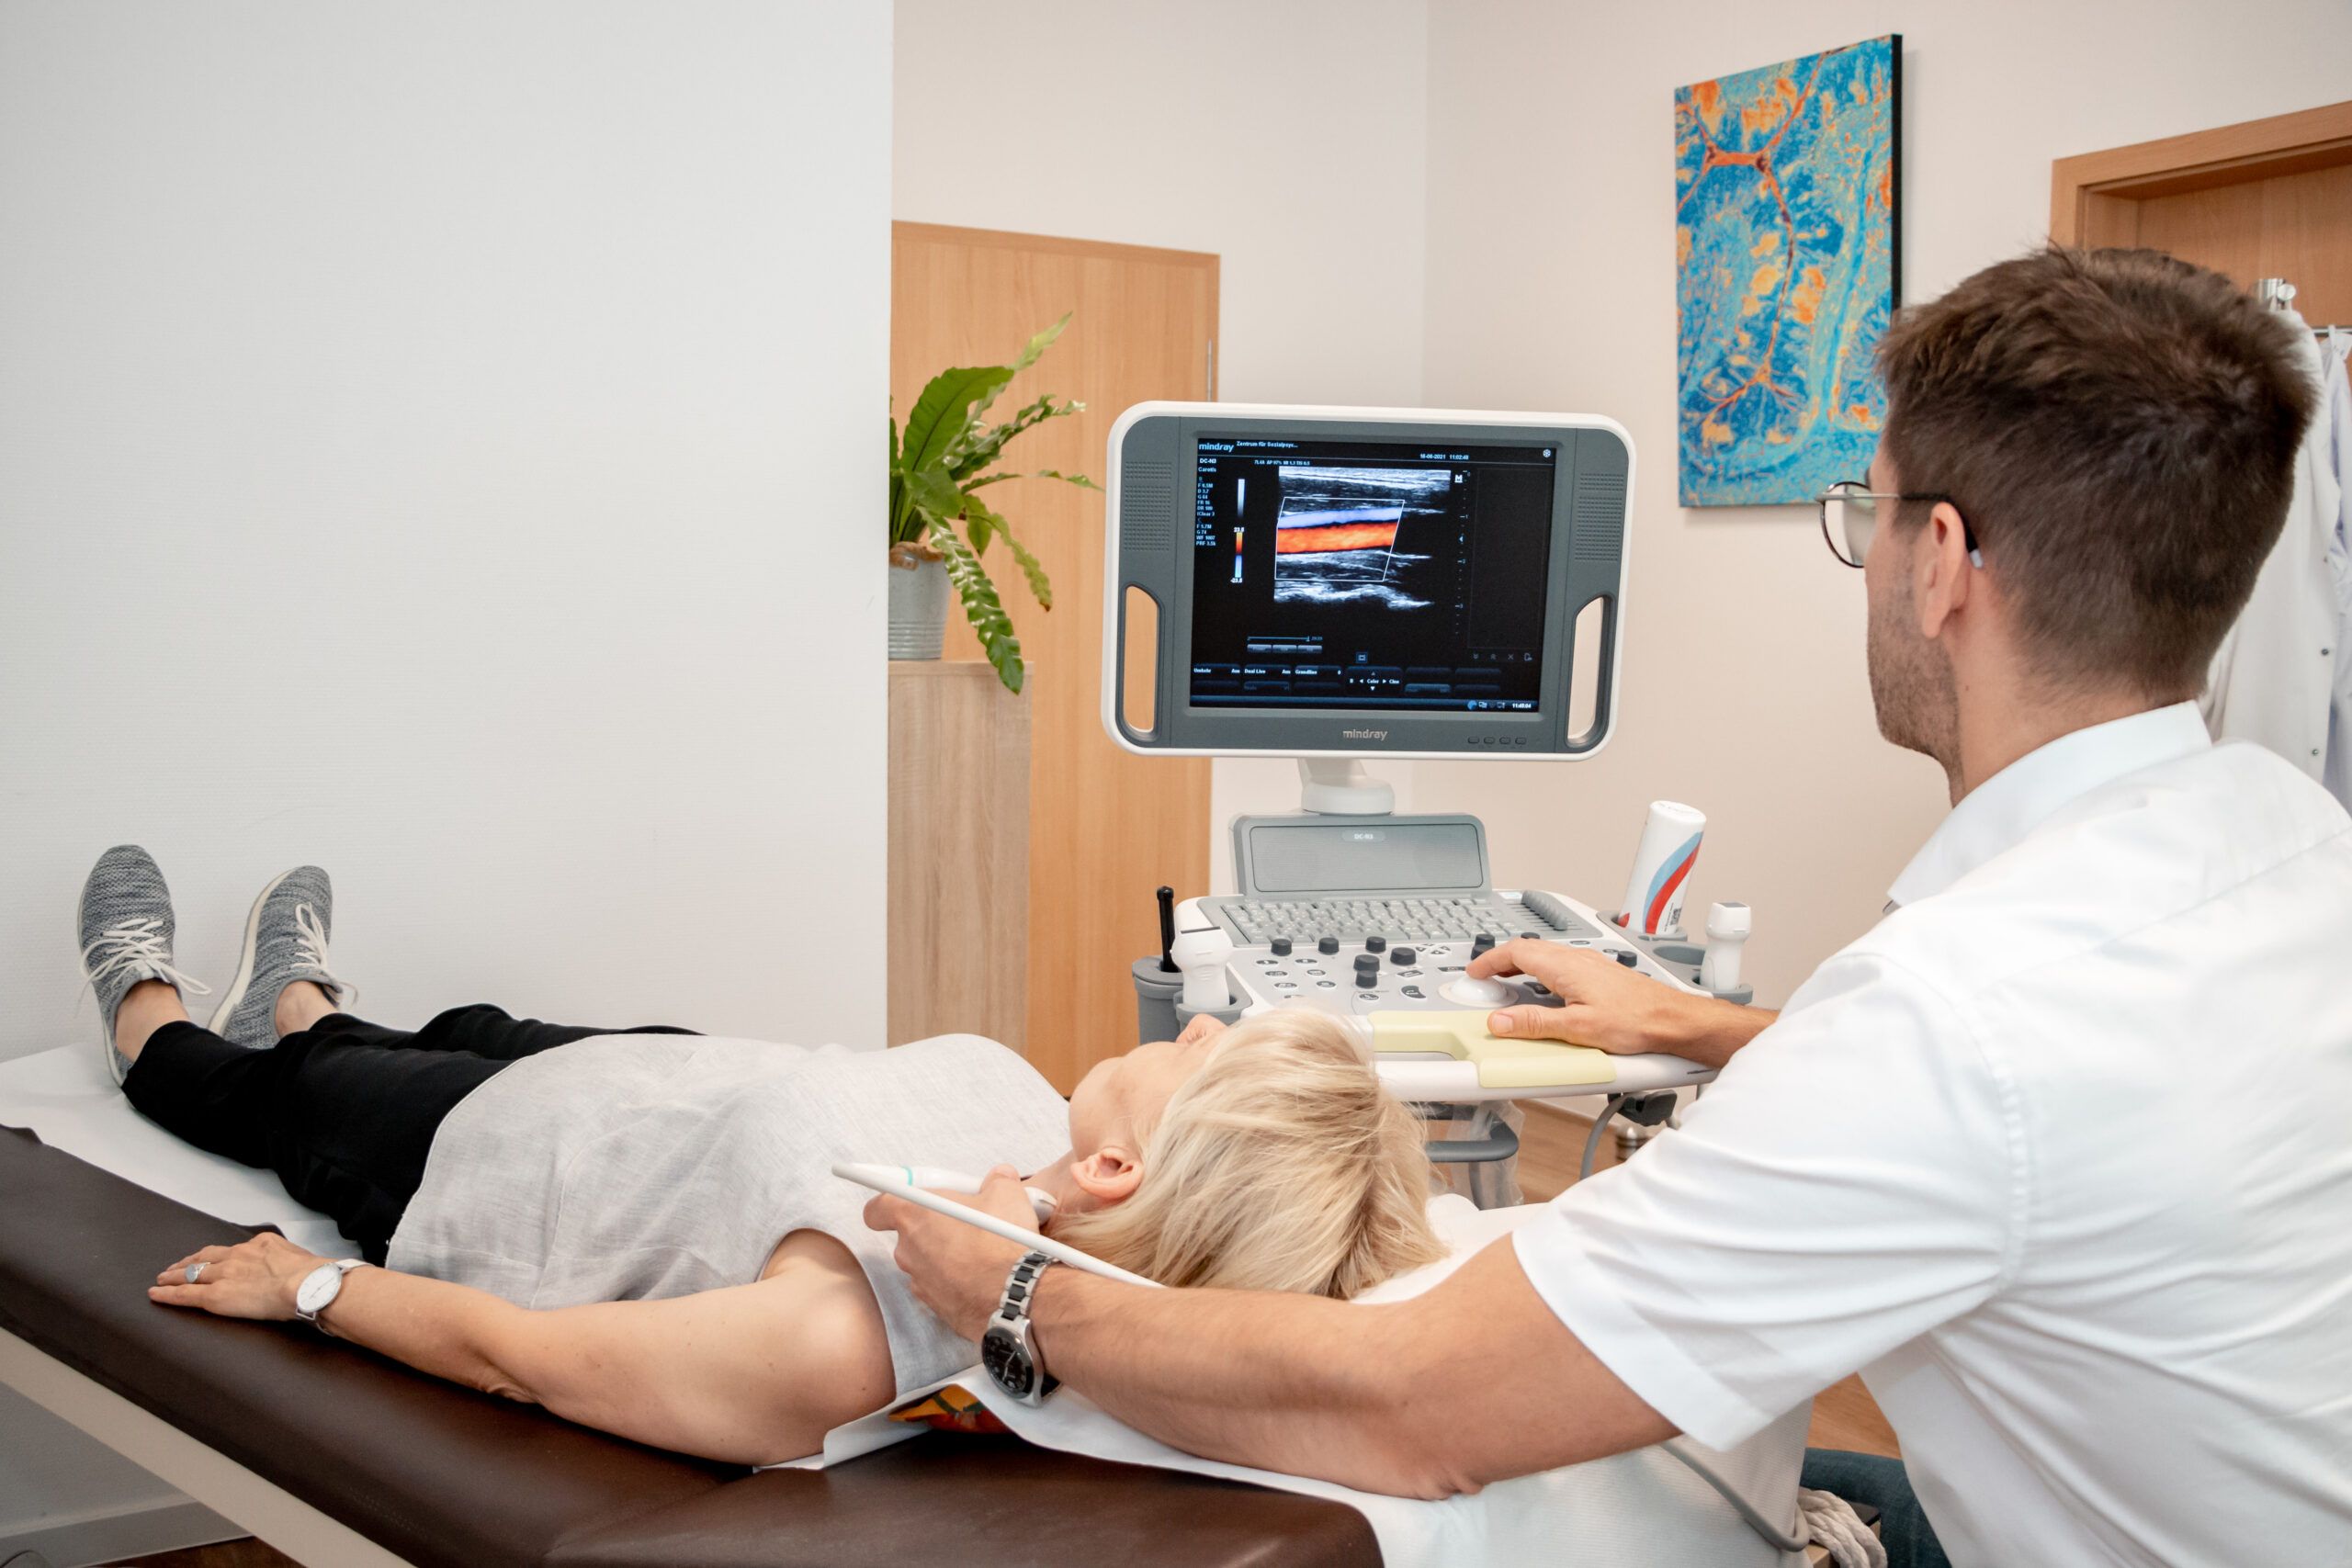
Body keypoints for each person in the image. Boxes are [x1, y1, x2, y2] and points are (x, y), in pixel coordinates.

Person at [868, 246, 2352, 1566]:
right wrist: (1704, 1026)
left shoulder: (1949, 1022)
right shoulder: (2295, 841)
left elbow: (1415, 1409)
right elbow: (2061, 1107)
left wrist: (1022, 1291)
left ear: (1947, 566)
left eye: (1873, 516)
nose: (1871, 560)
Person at [76, 846, 1444, 1465]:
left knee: (290, 1091)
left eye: (1204, 1051)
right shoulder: (1048, 1177)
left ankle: (150, 1011)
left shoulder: (842, 1337)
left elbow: (521, 1360)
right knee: (453, 1023)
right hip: (657, 1081)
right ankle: (303, 1000)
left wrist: (308, 1286)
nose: (1195, 1021)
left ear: (1121, 1177)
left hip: (491, 1166)